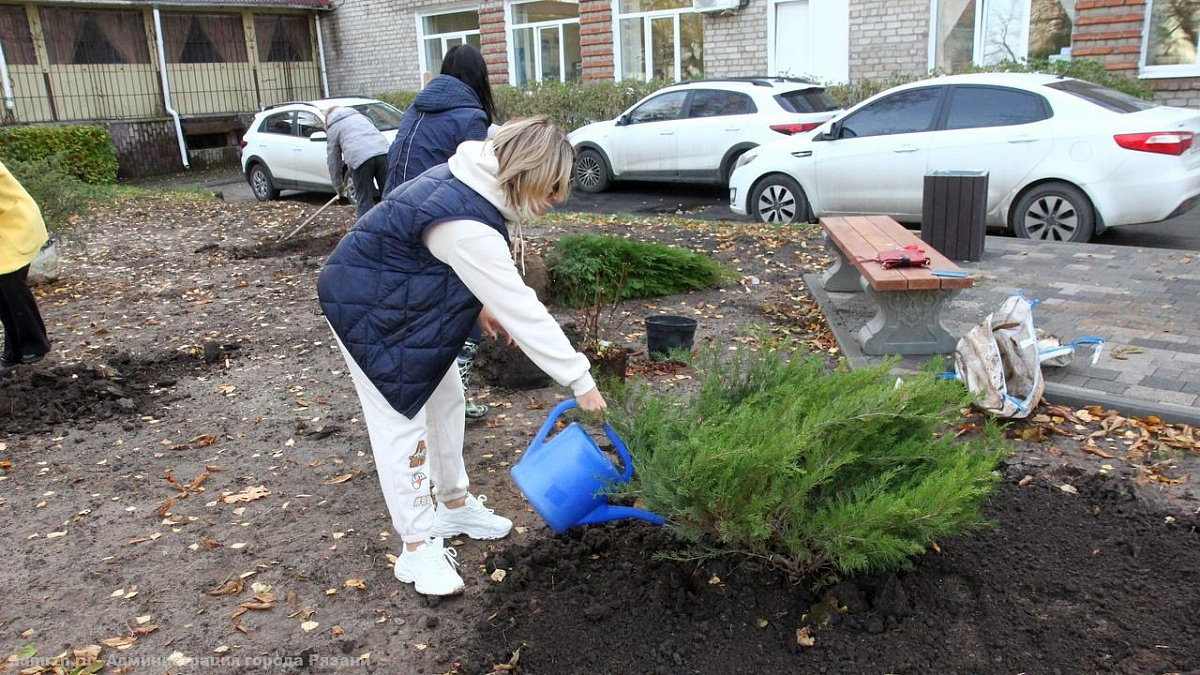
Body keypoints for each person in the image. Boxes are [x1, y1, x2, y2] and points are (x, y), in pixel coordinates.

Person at [318, 117, 606, 597]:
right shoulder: (467, 217)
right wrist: (580, 380)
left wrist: (479, 305)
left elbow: (436, 260)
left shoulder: (476, 184)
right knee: (401, 422)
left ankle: (452, 505)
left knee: (447, 397)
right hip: (367, 310)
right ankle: (415, 549)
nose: (557, 199)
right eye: (553, 186)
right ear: (527, 169)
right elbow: (524, 308)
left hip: (405, 302)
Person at [383, 43, 498, 419]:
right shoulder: (469, 116)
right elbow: (474, 182)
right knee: (466, 299)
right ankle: (455, 402)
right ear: (480, 77)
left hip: (394, 215)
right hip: (432, 220)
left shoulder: (417, 107)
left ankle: (426, 400)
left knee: (419, 312)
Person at [0, 160, 51, 373]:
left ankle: (35, 344)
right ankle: (13, 351)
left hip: (15, 224)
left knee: (10, 284)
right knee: (1, 292)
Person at [324, 106, 390, 218]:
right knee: (389, 195)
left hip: (359, 158)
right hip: (383, 153)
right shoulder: (360, 117)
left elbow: (333, 160)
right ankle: (394, 227)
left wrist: (338, 187)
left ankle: (367, 232)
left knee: (364, 200)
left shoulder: (334, 127)